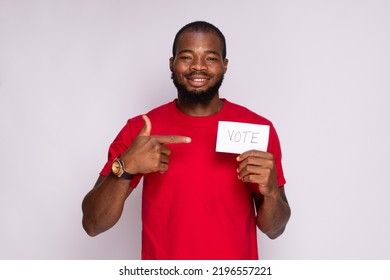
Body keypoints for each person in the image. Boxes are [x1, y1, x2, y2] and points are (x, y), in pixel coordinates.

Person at [82, 21, 291, 260]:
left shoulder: (257, 129)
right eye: (186, 57)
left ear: (224, 65)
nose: (198, 67)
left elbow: (275, 229)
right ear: (172, 64)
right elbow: (92, 224)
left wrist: (272, 192)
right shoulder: (140, 129)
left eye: (211, 58)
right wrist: (125, 167)